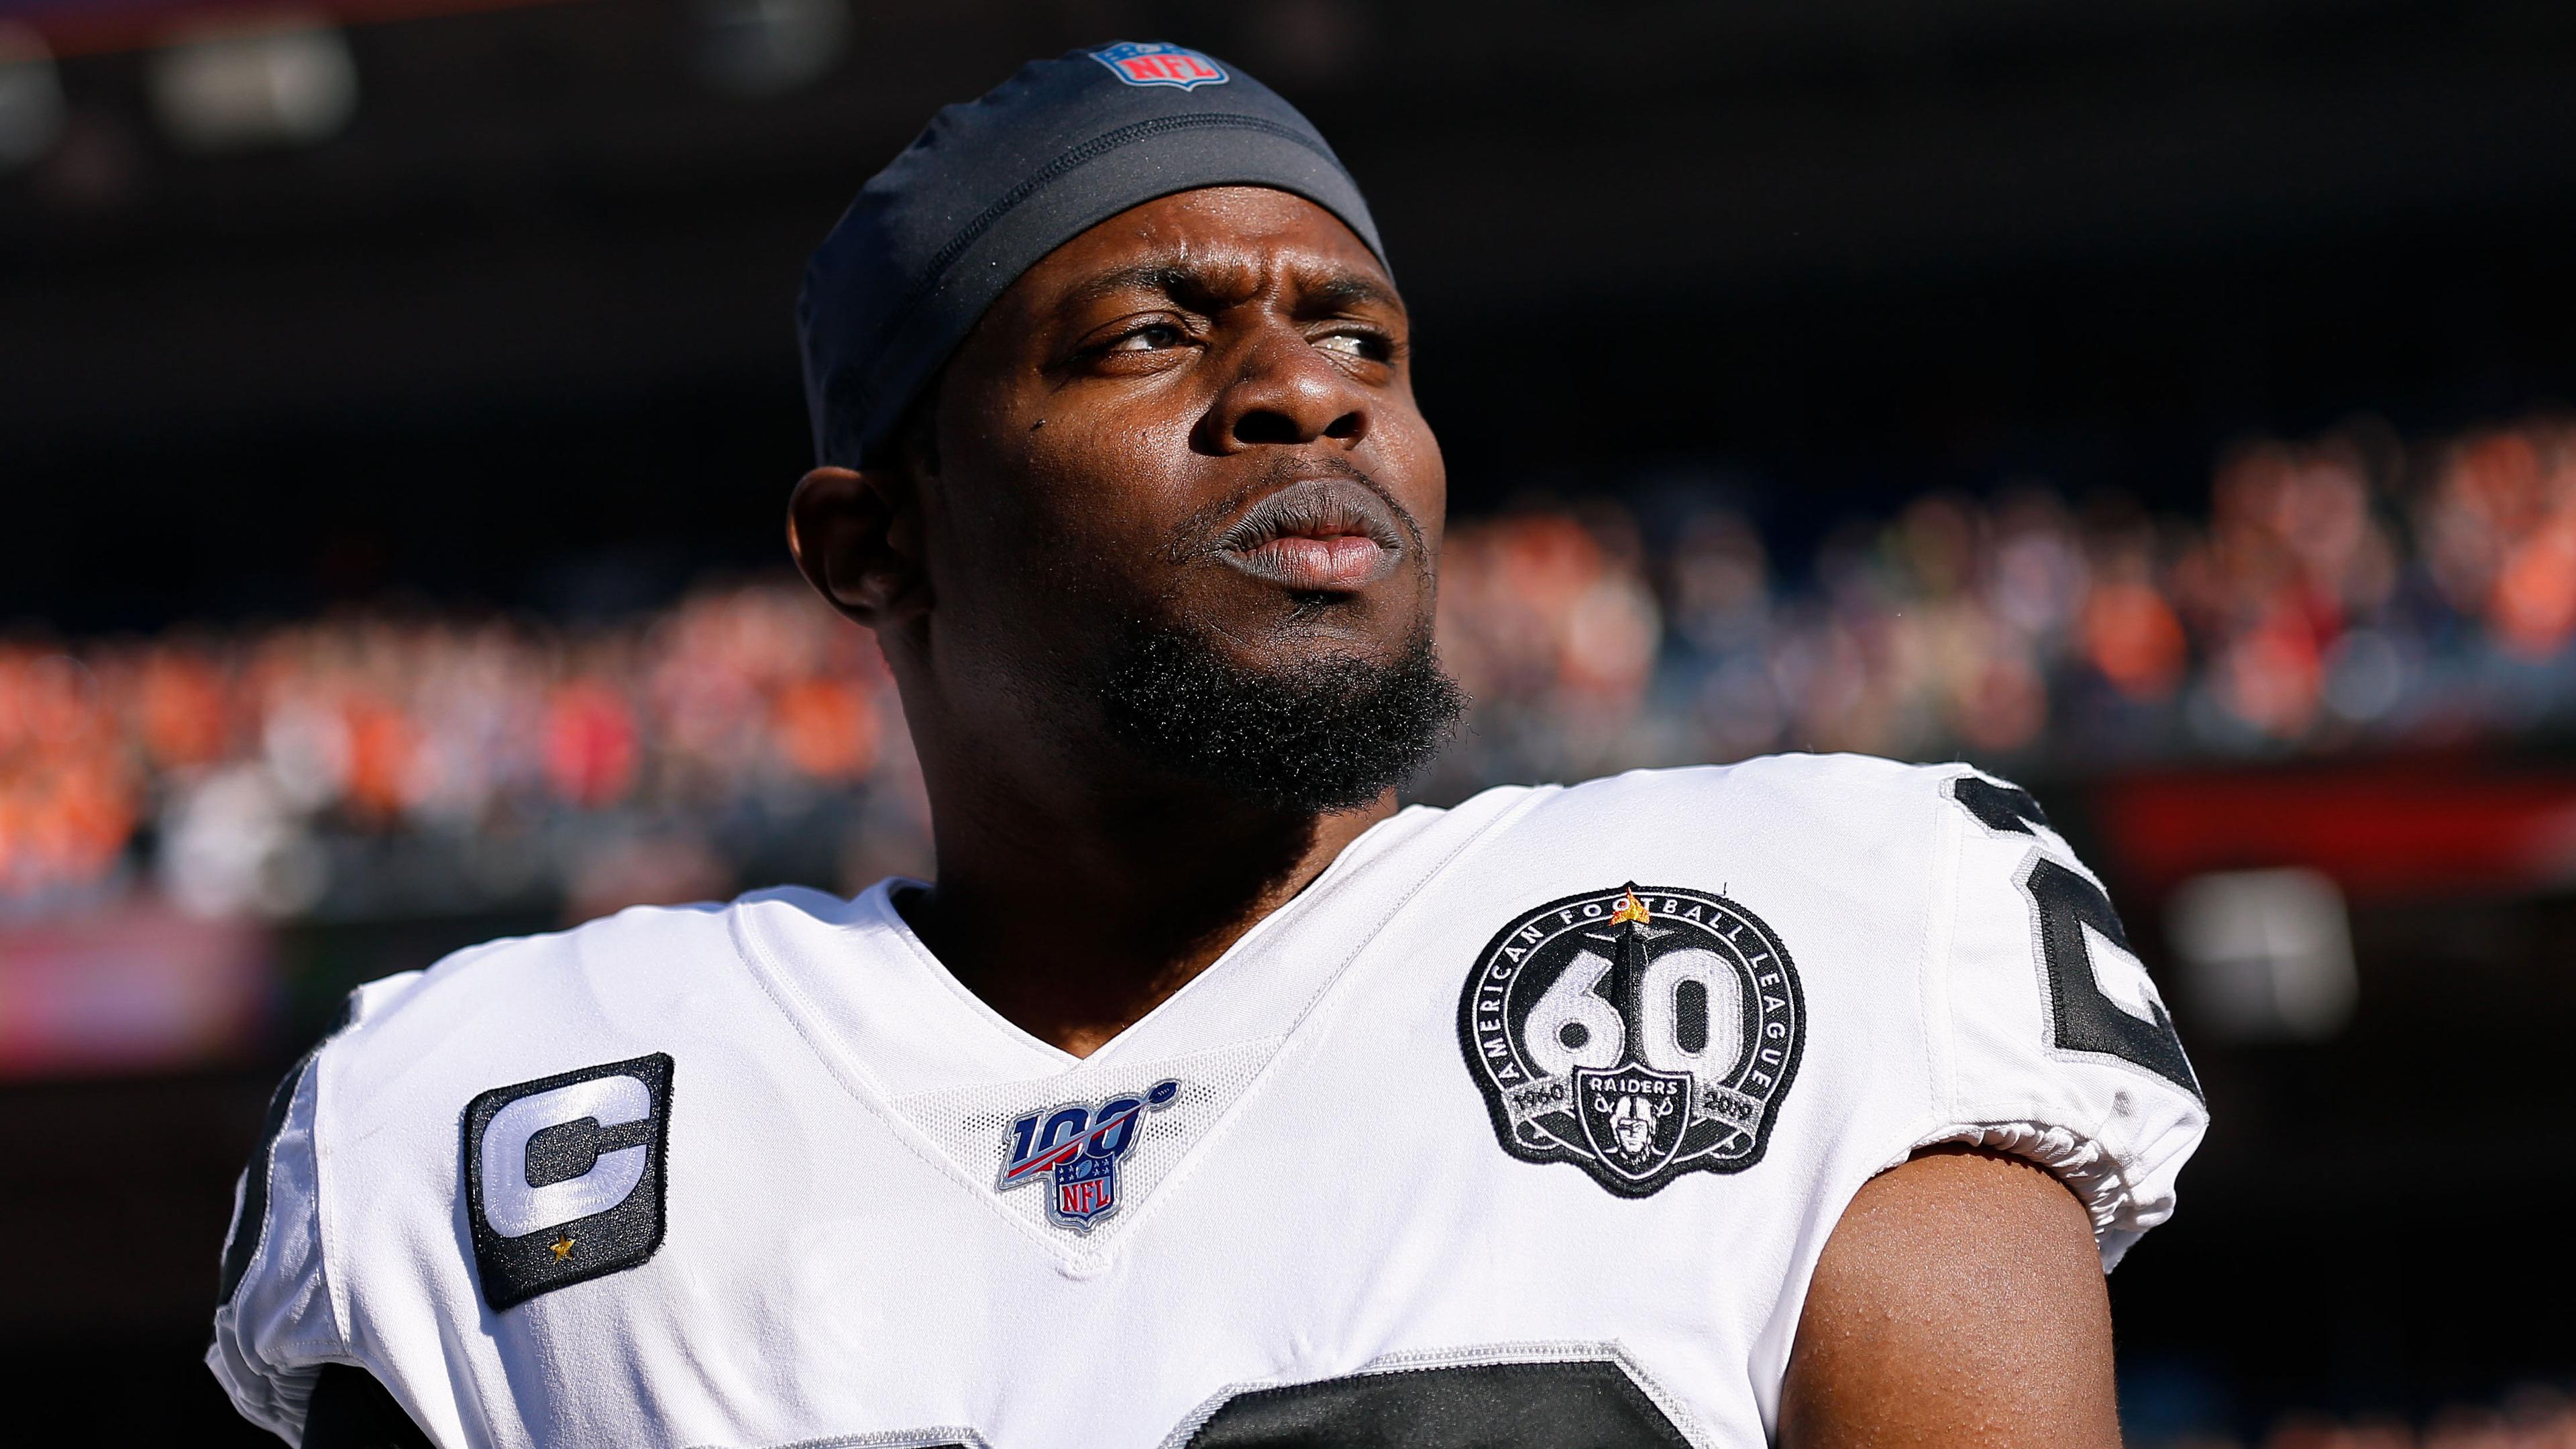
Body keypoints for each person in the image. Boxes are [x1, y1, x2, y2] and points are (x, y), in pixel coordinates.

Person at [210, 41, 2206, 1448]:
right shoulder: (488, 1106)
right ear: (872, 541)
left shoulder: (1821, 919)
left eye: (1363, 341)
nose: (1301, 397)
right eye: (1153, 337)